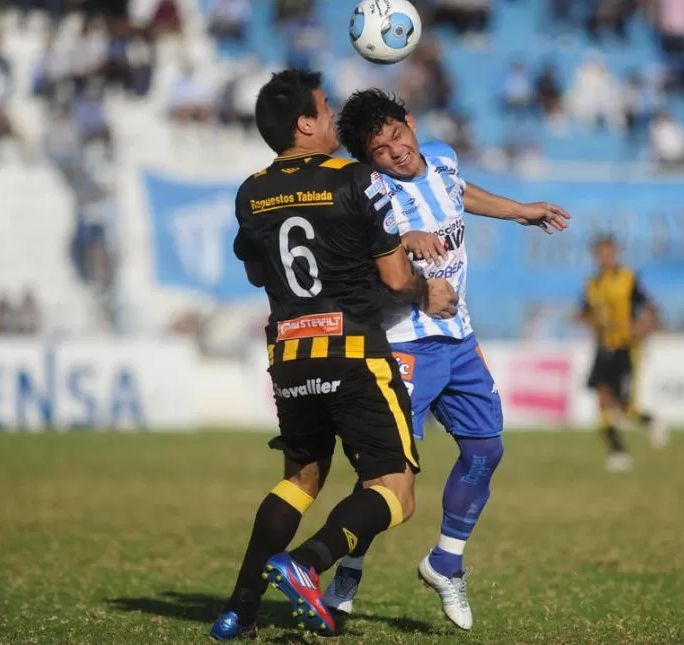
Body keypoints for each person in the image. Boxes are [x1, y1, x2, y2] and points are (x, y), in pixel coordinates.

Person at [210, 69, 459, 640]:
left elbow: (256, 272)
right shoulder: (356, 178)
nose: (331, 119)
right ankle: (308, 564)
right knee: (395, 487)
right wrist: (428, 292)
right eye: (324, 110)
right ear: (304, 124)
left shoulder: (251, 191)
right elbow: (397, 279)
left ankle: (238, 612)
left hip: (290, 354)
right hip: (352, 353)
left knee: (300, 478)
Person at [324, 89, 570, 631]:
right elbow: (356, 252)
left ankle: (445, 562)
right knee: (386, 477)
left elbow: (458, 194)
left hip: (458, 337)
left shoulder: (441, 156)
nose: (395, 151)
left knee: (486, 447)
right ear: (369, 160)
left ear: (409, 123)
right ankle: (348, 570)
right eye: (380, 149)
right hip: (404, 345)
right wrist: (400, 237)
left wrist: (518, 212)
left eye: (396, 135)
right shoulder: (367, 191)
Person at [575, 236, 668, 472]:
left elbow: (649, 306)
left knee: (626, 408)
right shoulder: (592, 285)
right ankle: (618, 452)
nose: (605, 257)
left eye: (609, 252)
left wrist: (643, 327)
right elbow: (585, 313)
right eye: (600, 252)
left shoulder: (628, 279)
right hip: (603, 348)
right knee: (602, 399)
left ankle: (652, 421)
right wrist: (584, 319)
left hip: (625, 348)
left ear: (615, 254)